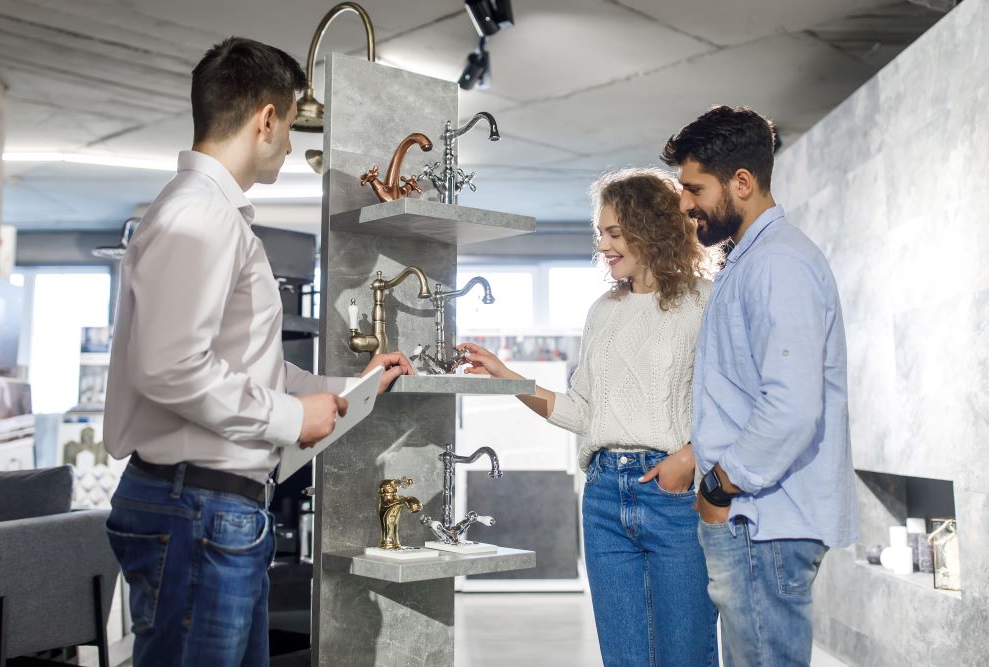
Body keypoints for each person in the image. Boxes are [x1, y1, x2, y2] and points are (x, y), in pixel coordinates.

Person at [102, 37, 414, 664]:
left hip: (213, 511)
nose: (295, 145)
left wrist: (342, 389)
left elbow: (245, 364)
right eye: (293, 123)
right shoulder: (199, 217)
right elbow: (170, 366)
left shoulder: (209, 214)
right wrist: (295, 418)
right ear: (266, 119)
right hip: (197, 510)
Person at [459, 168, 718, 666]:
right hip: (603, 498)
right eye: (601, 233)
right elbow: (583, 411)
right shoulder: (603, 310)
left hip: (674, 498)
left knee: (685, 656)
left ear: (651, 230)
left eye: (614, 233)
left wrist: (688, 457)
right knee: (624, 659)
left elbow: (729, 401)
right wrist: (507, 376)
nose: (603, 245)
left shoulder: (703, 302)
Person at [661, 105, 858, 666]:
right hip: (756, 518)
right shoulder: (753, 260)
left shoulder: (777, 263)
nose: (684, 203)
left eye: (694, 188)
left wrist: (722, 485)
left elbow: (793, 407)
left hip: (760, 519)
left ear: (741, 183)